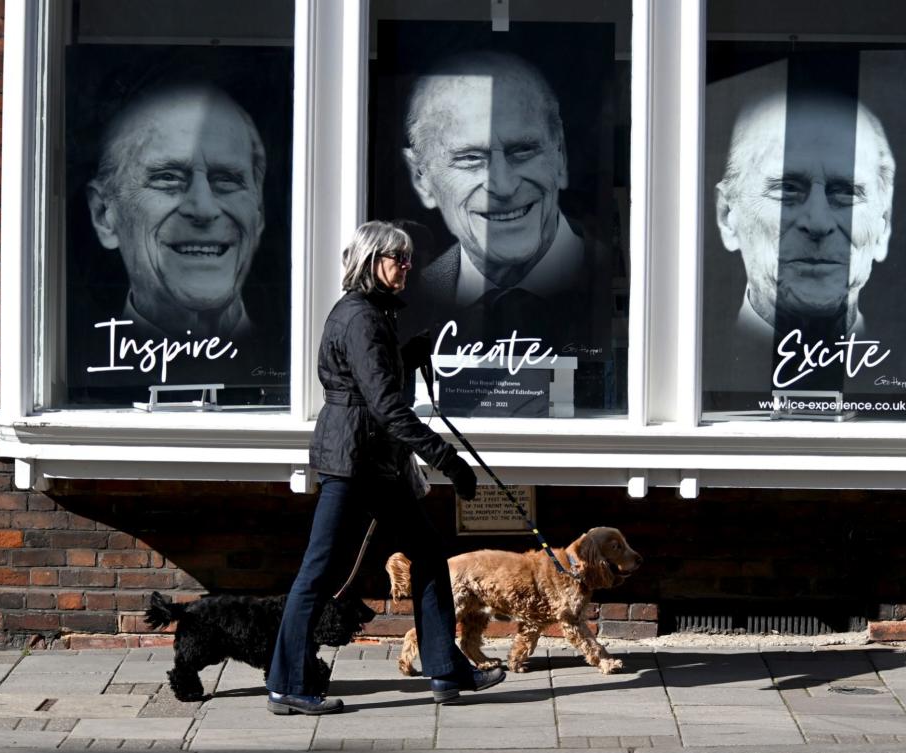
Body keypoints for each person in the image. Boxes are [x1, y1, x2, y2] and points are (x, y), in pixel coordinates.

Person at [266, 221, 504, 715]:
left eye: (409, 259)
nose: (407, 268)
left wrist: (403, 355)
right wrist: (446, 459)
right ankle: (286, 684)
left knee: (429, 555)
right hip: (353, 462)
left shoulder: (371, 316)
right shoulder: (360, 317)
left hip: (373, 461)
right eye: (398, 258)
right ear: (372, 261)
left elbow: (370, 380)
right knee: (320, 570)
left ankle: (446, 670)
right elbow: (384, 407)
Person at [400, 50, 606, 351]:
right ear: (421, 178)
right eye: (470, 158)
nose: (504, 186)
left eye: (522, 150)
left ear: (560, 154)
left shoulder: (614, 278)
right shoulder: (414, 293)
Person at [709, 87, 896, 390]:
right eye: (787, 189)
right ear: (728, 216)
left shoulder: (900, 364)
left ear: (883, 226)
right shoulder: (707, 366)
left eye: (846, 192)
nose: (818, 223)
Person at [86, 82, 267, 342]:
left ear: (258, 211)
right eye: (168, 177)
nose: (203, 209)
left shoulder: (293, 358)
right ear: (103, 214)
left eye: (227, 179)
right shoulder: (82, 353)